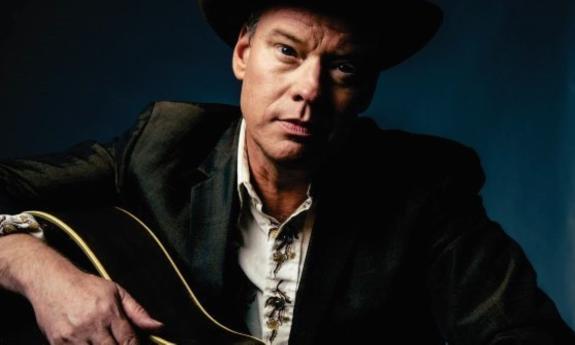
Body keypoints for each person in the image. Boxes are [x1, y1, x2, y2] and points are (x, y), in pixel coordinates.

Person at [0, 0, 573, 344]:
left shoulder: (425, 187)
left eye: (343, 66)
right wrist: (37, 270)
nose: (310, 90)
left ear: (367, 89)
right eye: (289, 52)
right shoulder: (162, 146)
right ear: (243, 53)